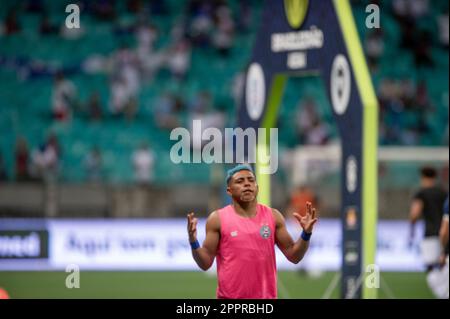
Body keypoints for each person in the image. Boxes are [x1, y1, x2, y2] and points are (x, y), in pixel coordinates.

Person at [186, 164, 318, 299]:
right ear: (229, 190)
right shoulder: (217, 219)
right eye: (240, 181)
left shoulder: (273, 216)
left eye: (251, 180)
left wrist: (306, 234)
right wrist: (193, 242)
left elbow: (294, 256)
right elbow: (205, 263)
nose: (247, 184)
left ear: (257, 187)